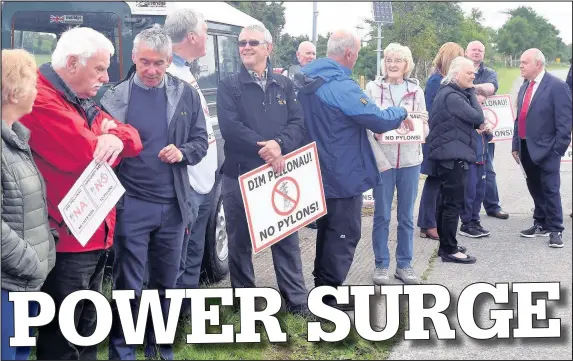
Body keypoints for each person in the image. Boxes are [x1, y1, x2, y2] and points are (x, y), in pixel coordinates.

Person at [18, 27, 143, 360]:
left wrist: (114, 136)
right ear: (72, 63)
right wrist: (106, 135)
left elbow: (134, 140)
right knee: (62, 338)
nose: (105, 77)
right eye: (99, 68)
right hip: (67, 241)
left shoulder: (80, 100)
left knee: (87, 330)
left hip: (95, 234)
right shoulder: (41, 99)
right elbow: (86, 153)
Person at [100, 25, 208, 360]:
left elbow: (201, 141)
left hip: (173, 207)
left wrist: (183, 152)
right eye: (145, 62)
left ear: (168, 60)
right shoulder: (113, 97)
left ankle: (160, 349)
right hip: (131, 203)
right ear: (133, 57)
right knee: (128, 285)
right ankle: (123, 352)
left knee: (166, 286)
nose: (151, 70)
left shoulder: (185, 94)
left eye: (159, 63)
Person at [294, 29, 413, 309]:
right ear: (349, 54)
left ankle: (322, 291)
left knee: (326, 230)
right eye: (357, 53)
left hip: (313, 169)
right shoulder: (341, 85)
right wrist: (402, 112)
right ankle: (327, 296)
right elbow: (378, 119)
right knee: (344, 233)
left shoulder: (304, 78)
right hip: (342, 172)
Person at [216, 24, 311, 317]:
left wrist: (279, 144)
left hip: (278, 174)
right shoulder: (229, 84)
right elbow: (231, 128)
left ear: (268, 48)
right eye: (242, 42)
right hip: (240, 174)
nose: (246, 47)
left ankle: (297, 302)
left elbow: (298, 122)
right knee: (240, 243)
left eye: (253, 42)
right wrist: (266, 147)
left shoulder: (285, 85)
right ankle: (245, 304)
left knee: (285, 240)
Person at [1, 49, 56, 361]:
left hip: (23, 285)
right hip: (8, 286)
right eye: (33, 83)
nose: (37, 91)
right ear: (13, 91)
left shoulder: (16, 138)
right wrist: (32, 262)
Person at [364, 43, 428, 285]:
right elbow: (367, 122)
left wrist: (422, 130)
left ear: (406, 65)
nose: (393, 64)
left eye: (398, 60)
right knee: (381, 214)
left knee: (406, 216)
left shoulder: (416, 90)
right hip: (384, 161)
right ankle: (381, 264)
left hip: (410, 160)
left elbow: (424, 121)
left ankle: (405, 264)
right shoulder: (372, 87)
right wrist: (377, 136)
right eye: (389, 60)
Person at [164, 7, 215, 309]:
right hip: (186, 186)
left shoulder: (186, 72)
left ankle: (184, 316)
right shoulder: (169, 76)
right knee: (177, 260)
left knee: (192, 256)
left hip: (201, 183)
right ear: (193, 36)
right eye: (206, 32)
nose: (207, 38)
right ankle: (169, 321)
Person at [426, 56, 485, 264]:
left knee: (445, 203)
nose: (473, 76)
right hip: (453, 157)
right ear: (456, 74)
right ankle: (450, 249)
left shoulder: (448, 93)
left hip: (448, 155)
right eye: (469, 73)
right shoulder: (453, 96)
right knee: (452, 205)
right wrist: (471, 91)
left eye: (474, 73)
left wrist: (468, 89)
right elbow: (478, 118)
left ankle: (446, 245)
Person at [511, 48, 572, 248]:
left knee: (550, 188)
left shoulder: (557, 86)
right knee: (534, 187)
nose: (521, 65)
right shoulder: (524, 86)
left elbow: (565, 122)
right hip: (526, 147)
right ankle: (541, 222)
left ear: (538, 64)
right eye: (520, 62)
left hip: (548, 149)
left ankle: (555, 229)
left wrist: (557, 150)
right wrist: (515, 144)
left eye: (524, 62)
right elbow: (519, 118)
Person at [417, 42, 464, 241]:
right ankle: (428, 223)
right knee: (434, 180)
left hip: (439, 137)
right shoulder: (438, 81)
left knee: (438, 181)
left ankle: (430, 222)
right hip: (436, 138)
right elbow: (434, 111)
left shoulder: (438, 78)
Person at [466, 40, 509, 220]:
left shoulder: (489, 72)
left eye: (480, 50)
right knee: (464, 171)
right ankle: (465, 211)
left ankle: (493, 206)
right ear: (466, 52)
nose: (477, 53)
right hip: (464, 128)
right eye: (474, 50)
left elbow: (491, 88)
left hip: (485, 130)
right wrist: (478, 94)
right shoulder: (460, 68)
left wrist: (470, 89)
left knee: (488, 168)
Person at [459, 114, 493, 238]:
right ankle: (466, 223)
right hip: (471, 162)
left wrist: (488, 131)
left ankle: (475, 220)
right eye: (480, 102)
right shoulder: (468, 119)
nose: (482, 105)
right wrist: (476, 132)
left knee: (480, 193)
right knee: (470, 193)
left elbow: (489, 139)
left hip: (482, 161)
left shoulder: (482, 119)